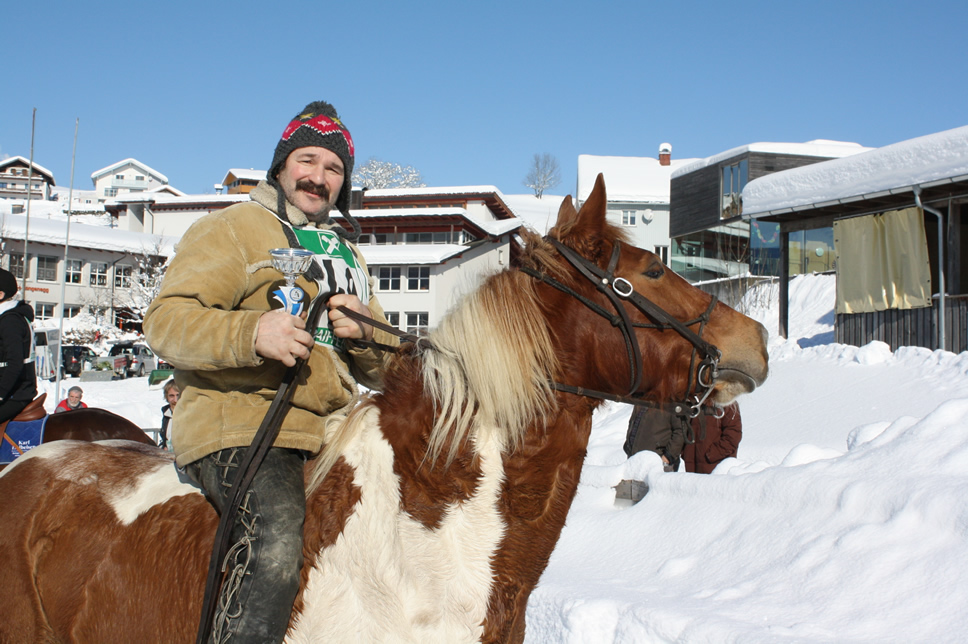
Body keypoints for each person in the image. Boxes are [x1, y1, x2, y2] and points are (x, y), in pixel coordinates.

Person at [143, 100, 398, 643]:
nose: (319, 177)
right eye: (307, 160)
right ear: (281, 165)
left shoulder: (350, 255)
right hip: (242, 423)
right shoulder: (233, 229)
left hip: (333, 428)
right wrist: (251, 333)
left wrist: (369, 334)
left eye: (334, 168)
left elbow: (386, 371)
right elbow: (165, 323)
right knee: (276, 538)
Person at [0, 268, 36, 424]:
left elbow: (15, 363)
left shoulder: (10, 321)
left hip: (15, 393)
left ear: (0, 295)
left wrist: (1, 393)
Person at [682, 402, 743, 474]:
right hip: (691, 466)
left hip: (716, 468)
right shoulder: (693, 401)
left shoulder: (727, 403)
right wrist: (685, 453)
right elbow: (682, 429)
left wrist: (712, 455)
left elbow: (733, 436)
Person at [624, 405, 686, 472]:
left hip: (659, 462)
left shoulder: (673, 402)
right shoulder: (644, 401)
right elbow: (634, 422)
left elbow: (681, 431)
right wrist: (628, 446)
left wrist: (668, 456)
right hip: (635, 459)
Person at [157, 379, 178, 450]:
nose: (175, 400)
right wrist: (164, 446)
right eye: (171, 396)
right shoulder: (166, 414)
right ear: (166, 397)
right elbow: (165, 438)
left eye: (178, 395)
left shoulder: (190, 414)